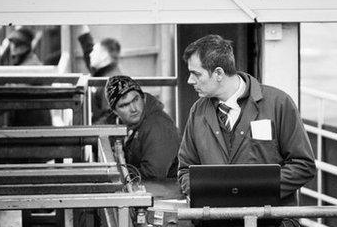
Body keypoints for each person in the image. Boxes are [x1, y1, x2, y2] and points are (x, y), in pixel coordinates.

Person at [176, 34, 316, 208]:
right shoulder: (197, 111)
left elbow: (304, 165)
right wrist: (210, 194)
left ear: (219, 73)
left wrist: (251, 191)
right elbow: (185, 170)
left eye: (196, 74)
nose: (190, 80)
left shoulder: (278, 103)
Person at [105, 75, 180, 182]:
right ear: (115, 112)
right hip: (155, 193)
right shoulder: (129, 125)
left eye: (135, 100)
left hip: (166, 193)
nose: (133, 109)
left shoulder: (157, 126)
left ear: (143, 97)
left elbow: (153, 175)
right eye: (124, 105)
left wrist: (117, 173)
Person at [77, 26, 124, 123]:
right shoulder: (103, 71)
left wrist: (87, 132)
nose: (91, 54)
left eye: (94, 51)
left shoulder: (111, 81)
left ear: (104, 56)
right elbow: (88, 51)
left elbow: (111, 118)